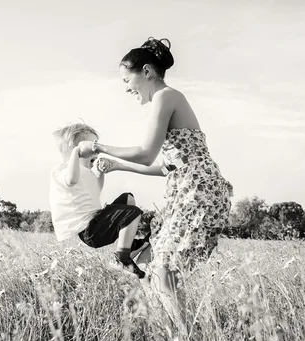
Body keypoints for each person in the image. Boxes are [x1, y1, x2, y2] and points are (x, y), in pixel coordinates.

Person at [78, 37, 233, 323]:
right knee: (153, 266)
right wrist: (118, 166)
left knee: (163, 271)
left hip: (198, 193)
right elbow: (165, 167)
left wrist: (98, 147)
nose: (126, 87)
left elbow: (146, 154)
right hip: (189, 191)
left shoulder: (165, 97)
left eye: (127, 79)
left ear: (146, 71)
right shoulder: (166, 100)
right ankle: (169, 334)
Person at [49, 123, 150, 278]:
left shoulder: (86, 172)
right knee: (132, 213)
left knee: (128, 198)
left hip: (97, 221)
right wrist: (76, 154)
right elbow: (71, 180)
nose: (95, 150)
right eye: (92, 147)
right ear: (77, 149)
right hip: (90, 230)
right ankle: (122, 259)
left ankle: (127, 247)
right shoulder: (63, 170)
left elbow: (97, 189)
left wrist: (101, 172)